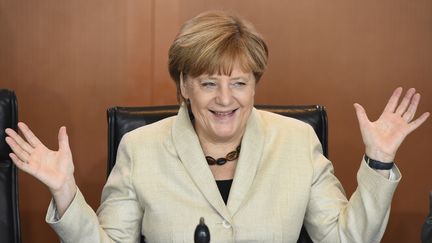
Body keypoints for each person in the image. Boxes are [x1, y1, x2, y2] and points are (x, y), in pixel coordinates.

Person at [4, 11, 430, 243]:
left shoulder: (298, 141)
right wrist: (65, 193)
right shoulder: (140, 147)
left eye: (239, 83)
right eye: (209, 83)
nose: (225, 99)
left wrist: (378, 163)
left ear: (254, 85)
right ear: (185, 86)